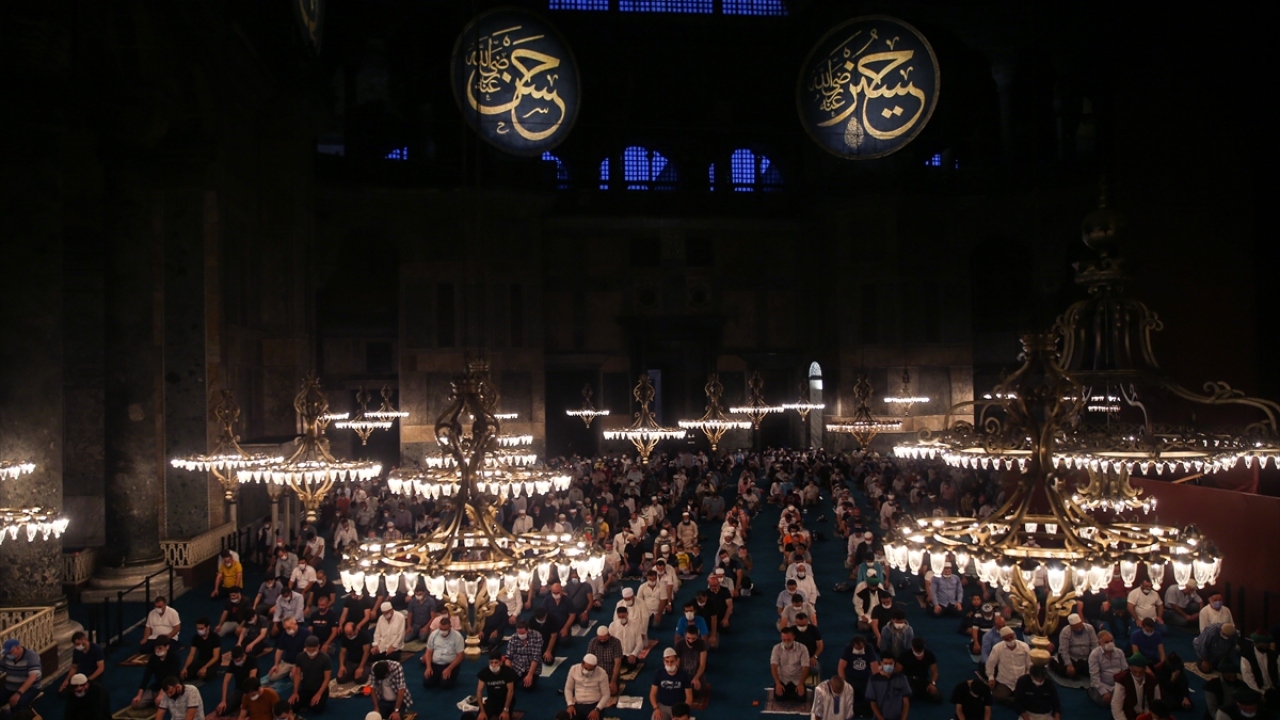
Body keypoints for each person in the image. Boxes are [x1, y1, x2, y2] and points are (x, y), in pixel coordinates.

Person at [464, 651, 517, 720]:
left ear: (501, 662)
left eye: (496, 662)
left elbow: (510, 691)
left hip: (505, 703)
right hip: (492, 702)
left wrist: (505, 710)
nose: (493, 665)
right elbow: (479, 691)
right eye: (491, 663)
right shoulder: (484, 673)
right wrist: (482, 711)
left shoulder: (508, 672)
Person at [133, 636, 182, 710]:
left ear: (167, 647)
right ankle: (156, 698)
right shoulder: (153, 658)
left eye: (160, 648)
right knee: (136, 705)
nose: (157, 650)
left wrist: (161, 694)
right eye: (156, 648)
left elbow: (170, 678)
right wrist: (139, 695)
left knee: (160, 704)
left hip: (170, 687)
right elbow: (146, 676)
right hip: (157, 686)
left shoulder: (174, 658)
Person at [986, 626, 1031, 704]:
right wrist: (991, 678)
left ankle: (1015, 700)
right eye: (1007, 639)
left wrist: (1027, 679)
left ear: (1014, 635)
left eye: (1011, 637)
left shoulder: (1024, 646)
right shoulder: (997, 648)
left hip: (1021, 680)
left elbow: (1030, 664)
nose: (1010, 640)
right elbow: (990, 664)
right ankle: (1016, 701)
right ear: (1003, 639)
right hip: (1005, 681)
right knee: (999, 697)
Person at [837, 635, 878, 716]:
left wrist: (876, 682)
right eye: (857, 648)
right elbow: (841, 667)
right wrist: (844, 683)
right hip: (851, 679)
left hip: (865, 679)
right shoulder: (848, 648)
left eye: (861, 647)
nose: (859, 649)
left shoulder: (869, 648)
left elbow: (874, 665)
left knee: (870, 699)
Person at [0, 639, 41, 720]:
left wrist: (18, 693)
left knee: (18, 704)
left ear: (18, 648)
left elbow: (32, 677)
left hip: (29, 688)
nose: (8, 655)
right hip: (10, 687)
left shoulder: (31, 656)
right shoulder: (7, 658)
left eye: (10, 652)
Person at [1113, 652, 1161, 720]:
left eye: (1140, 672)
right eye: (1135, 672)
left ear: (1145, 669)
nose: (1138, 675)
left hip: (1146, 714)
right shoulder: (1122, 679)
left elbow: (1157, 701)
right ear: (1130, 669)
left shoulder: (1152, 680)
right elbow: (1116, 704)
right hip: (1127, 714)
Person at [290, 634, 331, 713]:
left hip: (319, 688)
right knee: (293, 706)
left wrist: (318, 694)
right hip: (306, 688)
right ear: (305, 647)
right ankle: (307, 701)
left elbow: (327, 678)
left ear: (318, 646)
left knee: (316, 709)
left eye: (313, 650)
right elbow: (298, 675)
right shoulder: (300, 657)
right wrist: (295, 692)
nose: (311, 652)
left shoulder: (325, 658)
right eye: (309, 650)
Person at [1089, 630, 1130, 707]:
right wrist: (1103, 692)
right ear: (1099, 643)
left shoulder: (1119, 652)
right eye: (1106, 642)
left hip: (1118, 684)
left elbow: (1125, 670)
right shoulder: (1094, 655)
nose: (1110, 643)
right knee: (1105, 701)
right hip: (1103, 686)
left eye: (1111, 641)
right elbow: (1094, 676)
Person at [564, 653, 612, 719]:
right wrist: (570, 704)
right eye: (586, 668)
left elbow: (606, 694)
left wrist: (597, 709)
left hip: (594, 705)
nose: (587, 671)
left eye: (590, 669)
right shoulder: (574, 669)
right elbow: (568, 688)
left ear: (595, 667)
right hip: (577, 704)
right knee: (563, 717)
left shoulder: (602, 673)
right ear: (582, 663)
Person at [650, 648, 693, 720]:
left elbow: (689, 696)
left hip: (679, 708)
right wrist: (656, 708)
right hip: (663, 707)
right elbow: (652, 694)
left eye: (672, 661)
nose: (669, 664)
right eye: (667, 661)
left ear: (677, 661)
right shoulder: (658, 673)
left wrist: (683, 710)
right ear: (664, 661)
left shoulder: (684, 675)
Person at [423, 615, 465, 689]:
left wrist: (449, 669)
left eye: (445, 629)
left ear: (450, 627)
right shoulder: (434, 634)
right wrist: (428, 667)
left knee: (445, 685)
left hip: (450, 665)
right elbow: (428, 652)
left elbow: (460, 656)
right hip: (435, 665)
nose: (442, 631)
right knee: (427, 683)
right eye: (441, 629)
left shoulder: (457, 637)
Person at [215, 645, 258, 716]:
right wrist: (223, 701)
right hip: (239, 690)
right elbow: (226, 681)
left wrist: (245, 701)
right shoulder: (233, 663)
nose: (236, 662)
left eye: (238, 660)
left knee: (253, 712)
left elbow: (251, 682)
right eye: (235, 661)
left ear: (243, 656)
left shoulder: (252, 660)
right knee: (221, 711)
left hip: (252, 690)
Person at [866, 655, 912, 720]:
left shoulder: (902, 678)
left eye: (890, 663)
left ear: (894, 663)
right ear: (881, 663)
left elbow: (906, 702)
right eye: (886, 663)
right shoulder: (873, 680)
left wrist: (903, 719)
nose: (888, 665)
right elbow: (873, 703)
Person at [1054, 612, 1098, 679]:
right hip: (1072, 657)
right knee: (1067, 673)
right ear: (1071, 626)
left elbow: (1095, 645)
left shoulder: (1089, 628)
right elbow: (1064, 650)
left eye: (1080, 626)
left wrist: (1093, 660)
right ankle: (1052, 662)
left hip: (1086, 658)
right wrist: (1069, 664)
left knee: (1093, 672)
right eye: (1076, 627)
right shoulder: (1065, 631)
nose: (1079, 629)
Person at [1239, 631, 1278, 707]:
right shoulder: (1246, 656)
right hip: (1255, 690)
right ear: (1254, 643)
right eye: (1262, 646)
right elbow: (1248, 679)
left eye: (1266, 646)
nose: (1264, 648)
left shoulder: (1275, 655)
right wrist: (1259, 694)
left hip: (1273, 689)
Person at [771, 627, 811, 701]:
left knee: (801, 699)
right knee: (779, 698)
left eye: (788, 640)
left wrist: (801, 684)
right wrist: (778, 683)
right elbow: (773, 666)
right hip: (783, 678)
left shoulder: (802, 648)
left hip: (797, 678)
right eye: (784, 640)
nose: (786, 642)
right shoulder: (776, 648)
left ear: (793, 637)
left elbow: (805, 667)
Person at [900, 637, 941, 703]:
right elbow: (897, 671)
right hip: (909, 681)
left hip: (923, 680)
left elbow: (934, 672)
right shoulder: (905, 655)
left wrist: (932, 684)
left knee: (937, 698)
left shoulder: (929, 655)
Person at [506, 619, 544, 690]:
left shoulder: (537, 636)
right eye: (519, 633)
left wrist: (530, 674)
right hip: (517, 666)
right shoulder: (513, 638)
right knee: (507, 684)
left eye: (522, 633)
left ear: (527, 630)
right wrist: (508, 673)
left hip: (532, 667)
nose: (521, 635)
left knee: (528, 687)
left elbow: (536, 658)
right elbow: (509, 657)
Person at [588, 625, 624, 698]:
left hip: (610, 675)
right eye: (600, 639)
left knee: (612, 692)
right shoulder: (593, 642)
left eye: (604, 639)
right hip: (596, 675)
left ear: (609, 635)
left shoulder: (616, 642)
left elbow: (617, 663)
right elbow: (588, 661)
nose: (602, 641)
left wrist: (613, 681)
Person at [268, 617, 309, 682]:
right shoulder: (284, 634)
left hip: (300, 662)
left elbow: (306, 652)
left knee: (294, 677)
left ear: (294, 623)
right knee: (272, 677)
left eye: (289, 628)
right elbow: (279, 650)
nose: (287, 630)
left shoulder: (305, 633)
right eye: (285, 628)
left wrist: (297, 666)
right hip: (287, 662)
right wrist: (276, 665)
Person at [181, 617, 221, 681]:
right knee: (186, 675)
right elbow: (191, 654)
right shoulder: (195, 638)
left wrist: (205, 667)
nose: (199, 630)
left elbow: (216, 657)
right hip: (201, 659)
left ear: (207, 627)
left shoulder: (215, 637)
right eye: (198, 628)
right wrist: (185, 667)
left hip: (213, 661)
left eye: (201, 628)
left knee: (206, 676)